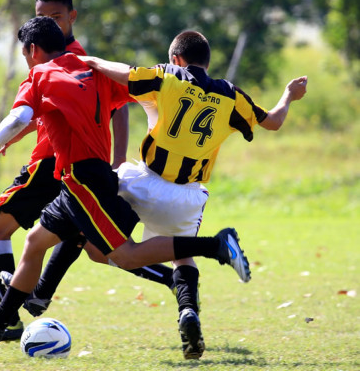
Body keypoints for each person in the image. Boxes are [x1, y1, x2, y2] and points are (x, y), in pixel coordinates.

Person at [0, 16, 250, 349]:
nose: (27, 62)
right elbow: (133, 96)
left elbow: (21, 116)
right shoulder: (91, 71)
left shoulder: (39, 74)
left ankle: (214, 246)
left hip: (84, 181)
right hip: (82, 180)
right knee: (36, 242)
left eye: (25, 55)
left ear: (33, 50)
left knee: (123, 255)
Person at [71, 30, 307, 359]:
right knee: (182, 256)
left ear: (176, 59)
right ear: (207, 63)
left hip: (140, 183)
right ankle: (188, 312)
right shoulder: (231, 95)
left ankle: (34, 292)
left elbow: (124, 72)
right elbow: (275, 122)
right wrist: (288, 95)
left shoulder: (168, 76)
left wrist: (90, 60)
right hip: (186, 198)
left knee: (94, 241)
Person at [0, 0, 171, 343]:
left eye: (56, 16)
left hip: (57, 163)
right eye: (42, 16)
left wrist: (118, 159)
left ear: (71, 17)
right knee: (78, 244)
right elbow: (43, 115)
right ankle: (26, 303)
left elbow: (112, 108)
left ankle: (7, 320)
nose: (49, 22)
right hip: (70, 165)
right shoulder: (75, 60)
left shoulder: (60, 63)